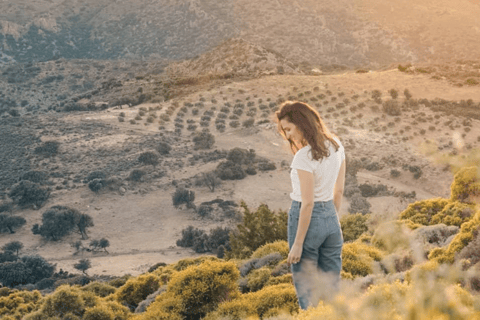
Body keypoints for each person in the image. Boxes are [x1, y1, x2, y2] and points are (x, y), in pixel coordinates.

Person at [275, 101, 346, 310]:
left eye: (288, 129)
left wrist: (297, 244)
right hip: (332, 219)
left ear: (301, 123)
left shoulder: (303, 157)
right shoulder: (337, 145)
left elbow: (307, 204)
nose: (287, 136)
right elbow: (339, 191)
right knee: (332, 287)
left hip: (306, 221)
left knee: (306, 289)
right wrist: (330, 218)